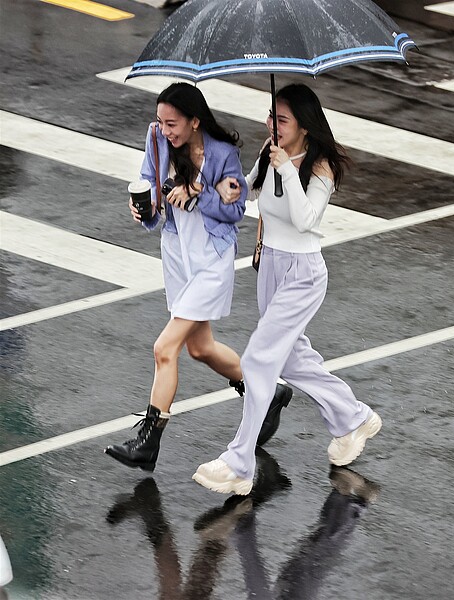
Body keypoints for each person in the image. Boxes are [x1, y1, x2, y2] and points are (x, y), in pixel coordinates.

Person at [192, 84, 382, 495]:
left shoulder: (321, 167)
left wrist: (285, 171)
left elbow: (306, 220)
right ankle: (353, 417)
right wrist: (230, 188)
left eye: (281, 120)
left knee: (260, 361)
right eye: (270, 117)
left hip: (303, 274)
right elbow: (249, 190)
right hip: (271, 268)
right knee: (292, 360)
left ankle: (238, 463)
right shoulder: (270, 152)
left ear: (304, 126)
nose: (272, 126)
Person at [105, 83, 292, 472]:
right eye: (160, 121)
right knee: (200, 348)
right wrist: (145, 211)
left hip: (211, 259)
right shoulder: (157, 141)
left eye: (172, 123)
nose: (165, 130)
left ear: (194, 121)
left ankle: (148, 442)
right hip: (177, 256)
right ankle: (268, 391)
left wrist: (197, 194)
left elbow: (236, 210)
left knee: (165, 348)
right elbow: (153, 200)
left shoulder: (222, 155)